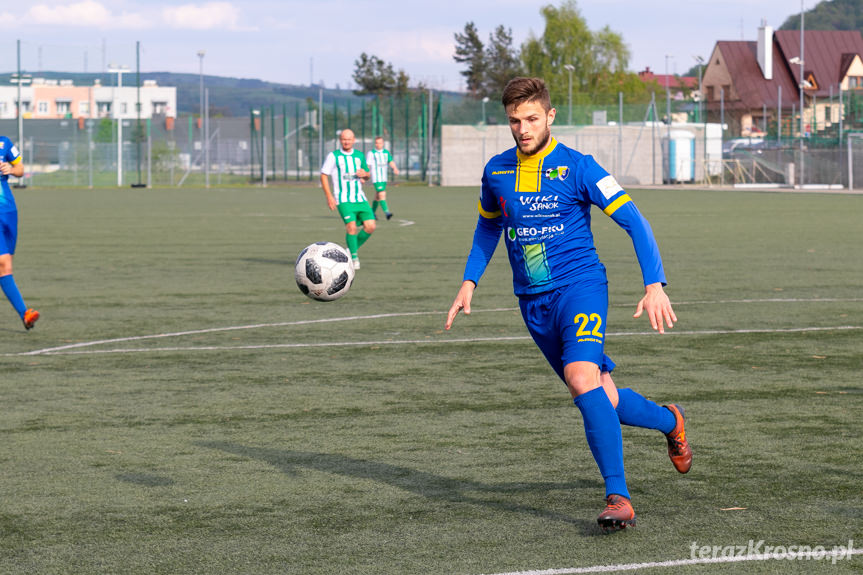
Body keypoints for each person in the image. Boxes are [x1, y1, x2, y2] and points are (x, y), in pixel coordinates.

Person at [445, 77, 691, 533]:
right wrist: (469, 280)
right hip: (533, 304)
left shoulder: (580, 167)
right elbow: (488, 227)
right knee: (604, 396)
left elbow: (635, 222)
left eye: (532, 118)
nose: (523, 129)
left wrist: (654, 283)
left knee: (581, 380)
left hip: (581, 289)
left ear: (550, 116)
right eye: (515, 121)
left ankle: (618, 496)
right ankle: (669, 420)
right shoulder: (496, 171)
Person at [320, 129, 375, 270]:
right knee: (351, 226)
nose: (346, 141)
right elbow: (324, 175)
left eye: (349, 139)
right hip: (343, 198)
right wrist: (329, 196)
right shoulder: (334, 156)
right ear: (340, 140)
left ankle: (349, 250)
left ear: (354, 140)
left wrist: (365, 174)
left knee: (370, 226)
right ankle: (354, 258)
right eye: (344, 139)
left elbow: (366, 175)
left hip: (359, 198)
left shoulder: (359, 156)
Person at [0, 135, 39, 331]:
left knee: (5, 267)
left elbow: (21, 169)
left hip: (8, 211)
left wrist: (11, 169)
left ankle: (25, 316)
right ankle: (25, 312)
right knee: (3, 263)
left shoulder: (4, 142)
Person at [365, 136, 399, 220]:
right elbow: (368, 165)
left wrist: (395, 168)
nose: (378, 144)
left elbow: (390, 161)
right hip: (376, 178)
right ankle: (387, 213)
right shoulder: (371, 153)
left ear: (383, 143)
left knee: (377, 196)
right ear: (375, 143)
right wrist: (366, 174)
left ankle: (372, 213)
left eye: (380, 143)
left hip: (384, 178)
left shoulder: (386, 153)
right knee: (382, 194)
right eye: (376, 143)